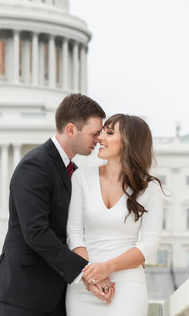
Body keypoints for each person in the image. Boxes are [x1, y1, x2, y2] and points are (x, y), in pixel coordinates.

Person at [0, 93, 111, 316]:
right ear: (71, 129)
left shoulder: (72, 170)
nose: (98, 139)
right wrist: (85, 272)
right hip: (24, 295)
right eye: (94, 133)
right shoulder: (35, 165)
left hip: (54, 295)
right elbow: (36, 232)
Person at [65, 114, 164, 315]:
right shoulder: (81, 176)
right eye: (102, 131)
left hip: (127, 286)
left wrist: (107, 268)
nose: (100, 138)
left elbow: (149, 243)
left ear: (130, 142)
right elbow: (74, 233)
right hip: (84, 285)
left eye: (109, 133)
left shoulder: (150, 189)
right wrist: (91, 276)